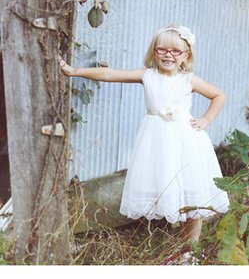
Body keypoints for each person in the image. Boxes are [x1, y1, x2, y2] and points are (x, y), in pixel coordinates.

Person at [59, 24, 230, 264]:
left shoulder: (189, 80)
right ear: (154, 51)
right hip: (157, 143)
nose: (168, 55)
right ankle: (172, 246)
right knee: (168, 188)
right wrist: (74, 71)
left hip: (186, 141)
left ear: (186, 56)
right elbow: (110, 74)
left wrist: (206, 119)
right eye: (162, 50)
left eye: (175, 51)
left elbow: (219, 95)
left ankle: (190, 252)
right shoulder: (147, 75)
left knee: (192, 195)